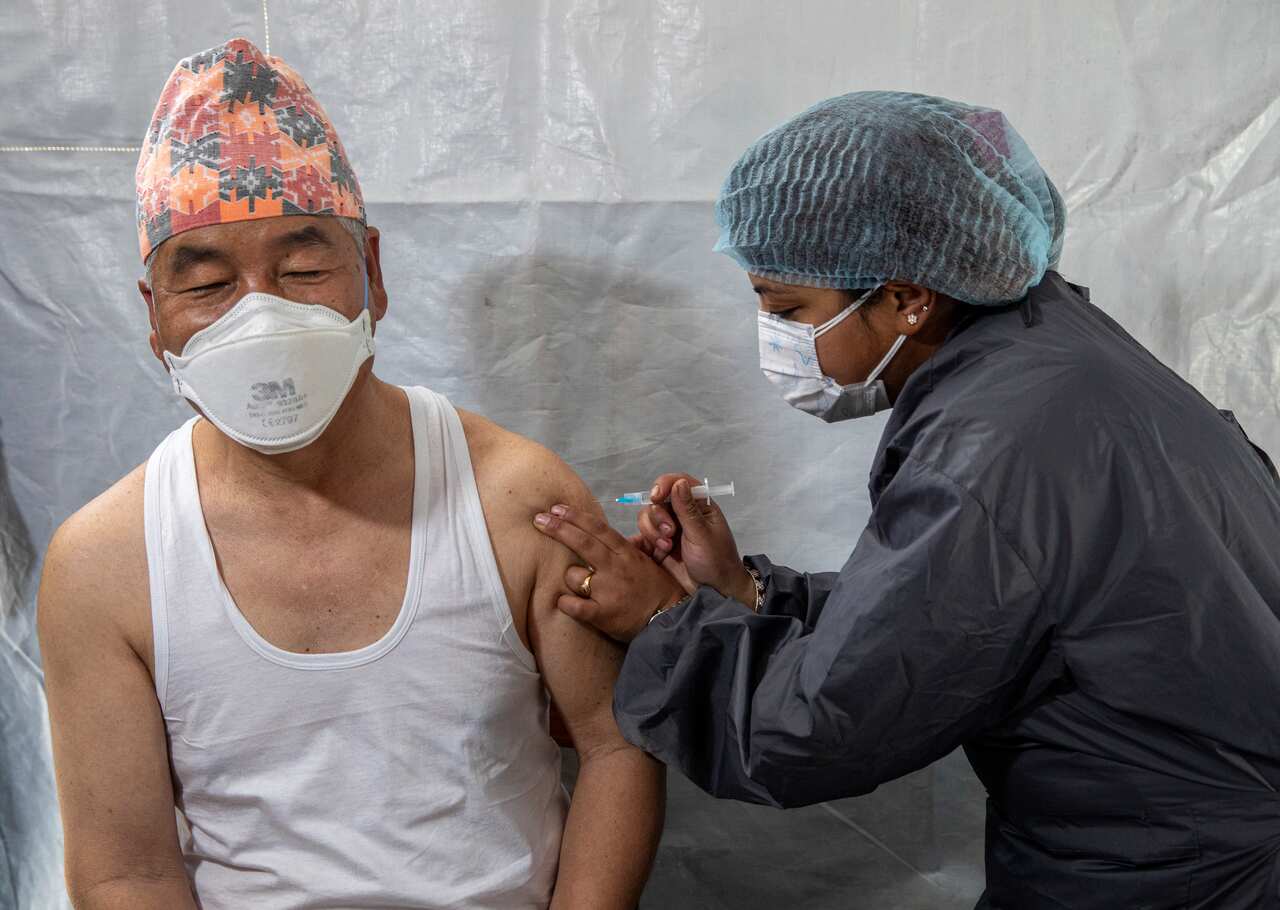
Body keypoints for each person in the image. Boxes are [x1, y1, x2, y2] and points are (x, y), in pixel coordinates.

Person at [533, 91, 1280, 908]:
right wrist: (746, 593)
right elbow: (969, 607)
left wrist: (659, 624)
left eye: (788, 309)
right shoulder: (1052, 351)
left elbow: (819, 731)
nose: (774, 336)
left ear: (908, 298)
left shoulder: (995, 444)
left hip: (1172, 877)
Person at [37, 38, 664, 910]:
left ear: (371, 270)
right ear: (156, 318)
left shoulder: (516, 499)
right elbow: (124, 869)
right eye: (209, 284)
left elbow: (615, 748)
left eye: (301, 270)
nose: (261, 315)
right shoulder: (105, 565)